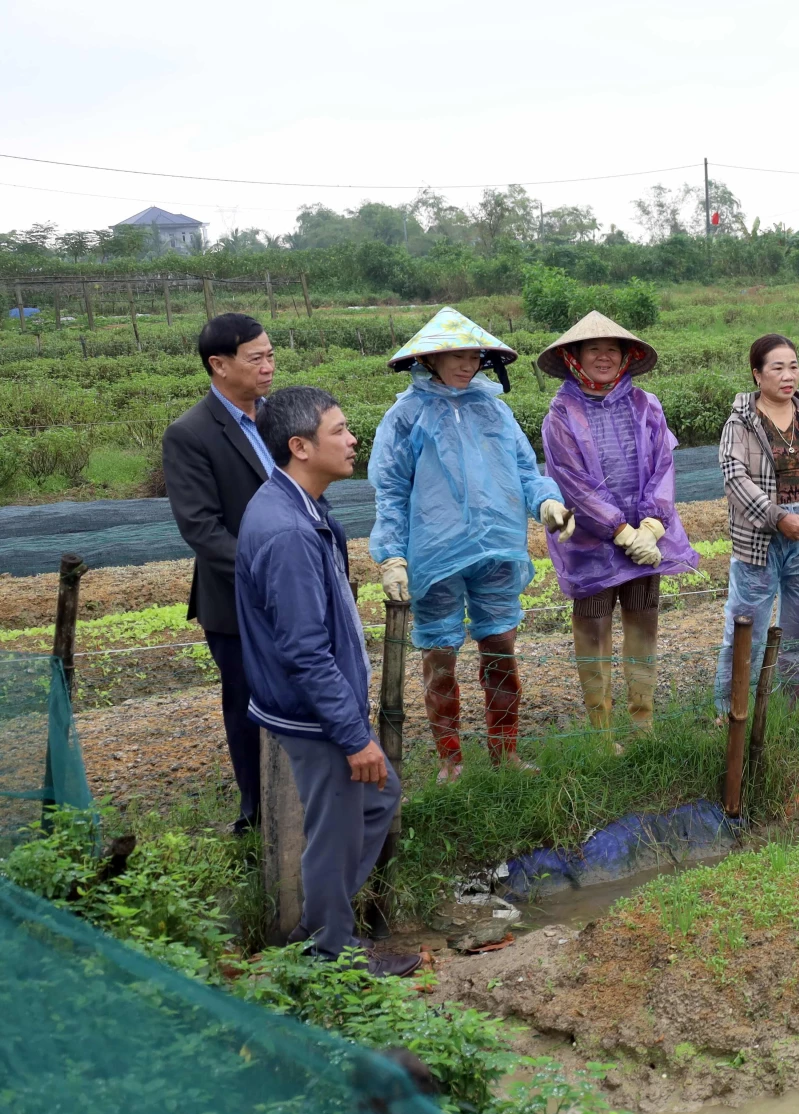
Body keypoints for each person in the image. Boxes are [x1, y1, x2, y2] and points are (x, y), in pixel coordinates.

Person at [235, 386, 419, 978]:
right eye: (339, 430)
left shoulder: (299, 509)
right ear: (300, 446)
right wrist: (353, 735)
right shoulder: (288, 531)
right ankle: (331, 954)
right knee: (336, 829)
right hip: (313, 716)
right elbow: (305, 650)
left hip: (313, 709)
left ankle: (319, 931)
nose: (352, 438)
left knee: (377, 799)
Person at [369, 308, 573, 782]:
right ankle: (450, 761)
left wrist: (545, 501)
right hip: (435, 553)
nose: (466, 364)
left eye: (473, 356)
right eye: (455, 355)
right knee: (439, 654)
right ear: (430, 360)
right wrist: (392, 554)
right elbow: (391, 490)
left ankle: (506, 753)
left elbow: (525, 470)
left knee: (500, 647)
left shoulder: (494, 410)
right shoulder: (406, 417)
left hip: (499, 547)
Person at [538, 312, 695, 748]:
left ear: (626, 357)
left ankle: (642, 724)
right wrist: (621, 531)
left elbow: (662, 467)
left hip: (646, 544)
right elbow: (575, 485)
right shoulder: (561, 415)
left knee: (644, 623)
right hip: (590, 546)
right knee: (593, 629)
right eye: (594, 350)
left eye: (613, 349)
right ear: (575, 358)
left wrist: (650, 526)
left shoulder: (646, 405)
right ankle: (601, 733)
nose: (604, 357)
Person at [162, 312, 276, 834]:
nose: (268, 367)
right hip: (237, 599)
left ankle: (303, 799)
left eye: (270, 355)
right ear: (219, 364)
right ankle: (256, 812)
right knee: (247, 704)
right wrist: (272, 570)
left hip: (296, 589)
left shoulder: (277, 419)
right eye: (256, 359)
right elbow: (202, 530)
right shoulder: (190, 434)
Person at [715, 334, 799, 716]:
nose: (788, 376)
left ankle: (795, 705)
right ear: (757, 374)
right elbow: (735, 477)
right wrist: (778, 517)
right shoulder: (740, 423)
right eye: (777, 368)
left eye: (794, 366)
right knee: (746, 629)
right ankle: (732, 708)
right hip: (760, 536)